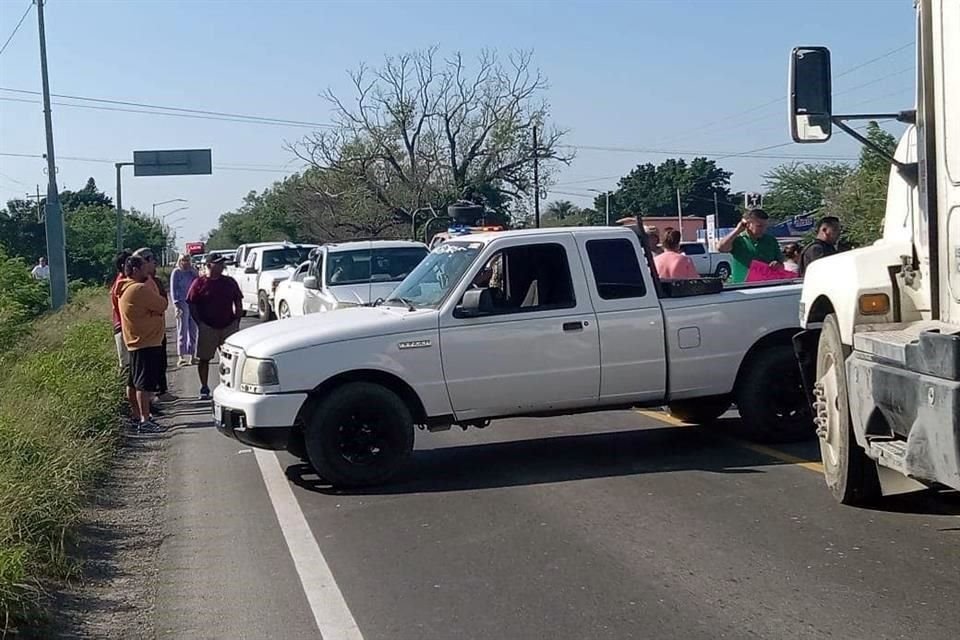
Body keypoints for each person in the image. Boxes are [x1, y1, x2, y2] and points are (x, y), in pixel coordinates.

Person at [117, 256, 168, 432]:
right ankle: (145, 420)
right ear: (136, 270)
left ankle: (136, 415)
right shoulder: (138, 289)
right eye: (144, 266)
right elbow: (162, 304)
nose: (148, 269)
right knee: (143, 385)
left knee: (133, 383)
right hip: (145, 341)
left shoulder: (125, 287)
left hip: (136, 340)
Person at [187, 255, 244, 400]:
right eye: (217, 264)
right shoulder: (199, 283)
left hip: (228, 325)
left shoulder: (229, 282)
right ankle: (204, 387)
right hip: (208, 326)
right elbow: (191, 302)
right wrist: (199, 322)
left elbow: (238, 300)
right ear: (209, 265)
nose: (221, 266)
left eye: (222, 263)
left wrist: (237, 319)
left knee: (231, 358)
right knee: (204, 358)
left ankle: (230, 386)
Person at [133, 248, 170, 400]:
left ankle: (158, 393)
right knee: (143, 376)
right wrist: (158, 307)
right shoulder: (139, 286)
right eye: (150, 260)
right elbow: (156, 306)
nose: (154, 263)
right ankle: (146, 413)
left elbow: (163, 302)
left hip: (156, 331)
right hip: (144, 335)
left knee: (159, 364)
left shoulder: (153, 281)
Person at [717, 208, 784, 284]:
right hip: (741, 286)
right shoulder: (739, 239)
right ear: (748, 224)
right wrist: (737, 230)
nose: (763, 229)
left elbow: (781, 266)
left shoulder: (771, 240)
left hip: (766, 285)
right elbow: (721, 248)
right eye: (759, 226)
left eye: (765, 226)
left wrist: (777, 265)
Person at [110, 251, 138, 422]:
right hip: (123, 329)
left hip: (127, 329)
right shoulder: (121, 284)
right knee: (127, 368)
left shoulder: (124, 282)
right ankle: (130, 407)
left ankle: (140, 405)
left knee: (134, 368)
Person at [171, 254, 199, 367]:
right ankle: (181, 356)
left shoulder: (191, 272)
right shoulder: (176, 272)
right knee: (182, 329)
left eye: (187, 260)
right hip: (181, 303)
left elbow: (198, 282)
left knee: (193, 329)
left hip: (192, 303)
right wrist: (176, 304)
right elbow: (173, 289)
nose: (185, 262)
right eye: (183, 260)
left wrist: (194, 271)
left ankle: (192, 355)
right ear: (179, 261)